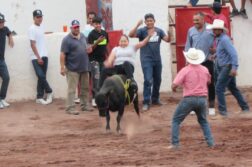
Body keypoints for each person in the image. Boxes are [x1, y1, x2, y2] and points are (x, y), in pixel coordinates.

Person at [170, 48, 214, 149]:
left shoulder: (185, 70)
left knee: (176, 120)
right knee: (203, 121)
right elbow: (209, 82)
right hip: (202, 99)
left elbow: (174, 85)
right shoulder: (205, 69)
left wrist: (174, 89)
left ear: (188, 59)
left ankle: (175, 144)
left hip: (189, 99)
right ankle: (210, 142)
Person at [207, 19, 250, 118]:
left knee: (219, 88)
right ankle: (245, 108)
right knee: (233, 88)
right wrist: (215, 55)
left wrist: (234, 68)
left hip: (227, 67)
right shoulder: (220, 39)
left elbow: (234, 54)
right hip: (226, 66)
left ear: (221, 30)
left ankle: (223, 112)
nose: (215, 31)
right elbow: (222, 51)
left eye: (217, 29)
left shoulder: (224, 40)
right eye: (214, 29)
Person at [129, 13, 170, 111]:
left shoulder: (159, 31)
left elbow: (167, 40)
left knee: (158, 79)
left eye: (151, 20)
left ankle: (155, 99)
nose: (149, 22)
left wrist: (171, 34)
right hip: (146, 60)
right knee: (148, 80)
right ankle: (146, 102)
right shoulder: (142, 31)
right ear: (145, 22)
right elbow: (130, 35)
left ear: (154, 21)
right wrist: (137, 25)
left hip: (157, 59)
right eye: (147, 21)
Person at [185, 12, 215, 116]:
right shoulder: (191, 30)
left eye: (197, 20)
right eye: (194, 20)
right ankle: (194, 107)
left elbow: (219, 39)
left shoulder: (211, 29)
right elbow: (188, 45)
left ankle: (211, 107)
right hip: (194, 62)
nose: (195, 22)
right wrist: (187, 60)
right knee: (194, 84)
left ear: (203, 20)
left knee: (210, 83)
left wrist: (215, 51)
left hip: (208, 61)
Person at [60, 19, 93, 115]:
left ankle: (84, 105)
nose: (76, 29)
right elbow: (62, 54)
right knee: (72, 89)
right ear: (71, 28)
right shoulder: (66, 40)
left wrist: (89, 49)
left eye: (77, 27)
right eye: (74, 27)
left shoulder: (83, 36)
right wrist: (62, 67)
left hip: (84, 67)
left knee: (85, 88)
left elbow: (87, 48)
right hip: (72, 69)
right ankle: (70, 108)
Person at [28, 10, 53, 105]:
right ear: (34, 18)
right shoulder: (31, 29)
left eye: (40, 17)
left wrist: (50, 32)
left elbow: (41, 35)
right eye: (37, 17)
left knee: (41, 77)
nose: (39, 19)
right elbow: (32, 44)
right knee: (41, 75)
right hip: (35, 57)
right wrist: (38, 57)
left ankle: (39, 97)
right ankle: (49, 91)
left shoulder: (41, 26)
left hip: (44, 55)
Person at [88, 16, 109, 107]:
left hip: (103, 60)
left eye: (99, 24)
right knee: (96, 79)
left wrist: (108, 57)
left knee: (103, 79)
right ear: (93, 24)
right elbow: (89, 49)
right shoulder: (91, 34)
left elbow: (106, 46)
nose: (98, 25)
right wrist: (97, 41)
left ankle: (102, 97)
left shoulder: (105, 33)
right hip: (94, 60)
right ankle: (94, 98)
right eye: (96, 24)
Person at [0, 13, 14, 109]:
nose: (2, 24)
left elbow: (9, 32)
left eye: (2, 22)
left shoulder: (5, 29)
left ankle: (2, 98)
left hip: (1, 60)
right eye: (0, 22)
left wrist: (10, 37)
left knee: (6, 77)